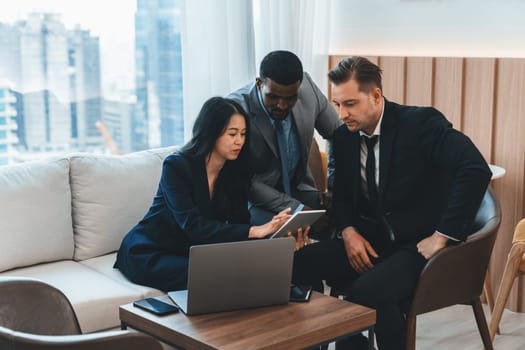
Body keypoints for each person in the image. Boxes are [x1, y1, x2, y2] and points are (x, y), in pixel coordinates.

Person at [292, 56, 492, 350]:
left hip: (419, 245)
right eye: (337, 104)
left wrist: (441, 236)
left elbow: (475, 168)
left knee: (369, 292)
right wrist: (347, 230)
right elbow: (343, 195)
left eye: (350, 104)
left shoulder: (421, 123)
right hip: (372, 241)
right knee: (299, 264)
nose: (342, 113)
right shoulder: (343, 138)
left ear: (375, 95)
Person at [114, 97, 303, 292]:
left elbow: (240, 223)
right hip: (152, 251)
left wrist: (275, 235)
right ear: (211, 132)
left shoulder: (235, 171)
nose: (239, 141)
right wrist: (255, 231)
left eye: (243, 134)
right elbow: (192, 225)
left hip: (195, 251)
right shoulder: (176, 166)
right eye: (232, 134)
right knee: (216, 275)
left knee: (251, 269)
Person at [228, 50, 341, 230]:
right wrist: (298, 211)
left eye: (290, 98)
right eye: (273, 96)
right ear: (259, 84)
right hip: (255, 201)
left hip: (300, 189)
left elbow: (339, 135)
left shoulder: (308, 89)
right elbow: (244, 179)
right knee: (286, 233)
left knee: (345, 217)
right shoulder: (236, 108)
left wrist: (334, 188)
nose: (281, 105)